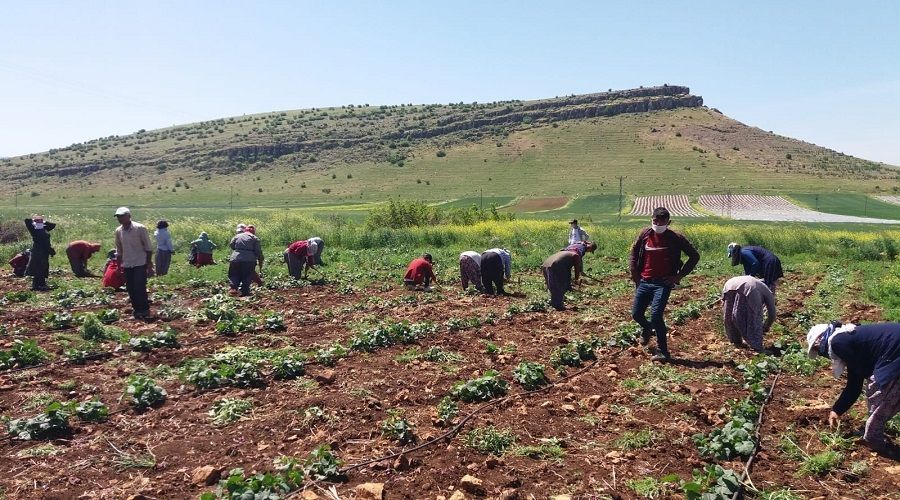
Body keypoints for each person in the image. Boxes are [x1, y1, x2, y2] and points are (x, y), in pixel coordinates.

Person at [807, 322, 900, 458]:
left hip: (895, 349)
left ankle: (873, 439)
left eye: (817, 349)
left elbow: (860, 376)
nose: (821, 353)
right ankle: (874, 430)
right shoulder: (848, 339)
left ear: (820, 339)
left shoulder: (838, 342)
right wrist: (837, 410)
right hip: (894, 349)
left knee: (877, 390)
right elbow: (855, 384)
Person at [629, 207, 700, 361]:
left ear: (669, 222)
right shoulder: (645, 234)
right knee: (636, 314)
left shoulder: (676, 238)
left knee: (656, 316)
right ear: (651, 219)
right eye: (655, 221)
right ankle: (647, 328)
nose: (658, 224)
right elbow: (634, 251)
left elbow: (694, 256)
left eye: (662, 222)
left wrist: (678, 276)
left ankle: (663, 351)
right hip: (644, 280)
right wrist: (634, 272)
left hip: (662, 283)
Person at [114, 207, 154, 319]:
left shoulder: (140, 228)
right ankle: (136, 310)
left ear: (128, 216)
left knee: (139, 286)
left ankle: (144, 309)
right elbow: (119, 249)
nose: (119, 219)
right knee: (130, 287)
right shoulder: (118, 231)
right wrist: (118, 266)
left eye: (121, 216)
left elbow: (148, 248)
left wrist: (149, 265)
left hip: (139, 262)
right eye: (118, 217)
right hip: (127, 263)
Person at [722, 275, 776, 353]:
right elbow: (772, 314)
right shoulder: (768, 292)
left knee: (729, 315)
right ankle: (757, 347)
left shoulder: (758, 284)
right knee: (754, 318)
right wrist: (767, 326)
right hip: (750, 289)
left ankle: (735, 341)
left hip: (729, 285)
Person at [541, 243, 595, 310]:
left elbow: (569, 267)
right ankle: (558, 306)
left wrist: (579, 271)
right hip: (556, 264)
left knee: (552, 286)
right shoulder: (576, 254)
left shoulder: (572, 247)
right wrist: (576, 278)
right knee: (560, 284)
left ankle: (552, 303)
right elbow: (577, 261)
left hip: (546, 263)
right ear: (590, 248)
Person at [24, 215, 56, 291]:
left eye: (41, 221)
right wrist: (34, 220)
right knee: (39, 268)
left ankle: (41, 284)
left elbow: (53, 225)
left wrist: (43, 221)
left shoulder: (44, 228)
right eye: (38, 221)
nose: (39, 222)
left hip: (44, 251)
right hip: (38, 251)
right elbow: (27, 220)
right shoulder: (34, 230)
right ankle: (37, 285)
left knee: (43, 267)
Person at [229, 226, 263, 296]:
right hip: (249, 259)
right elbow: (258, 251)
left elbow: (232, 245)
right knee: (247, 275)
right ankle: (244, 291)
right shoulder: (255, 238)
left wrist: (238, 249)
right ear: (254, 232)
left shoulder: (238, 236)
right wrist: (260, 258)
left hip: (235, 258)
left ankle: (233, 288)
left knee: (234, 273)